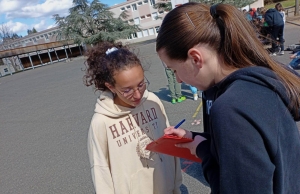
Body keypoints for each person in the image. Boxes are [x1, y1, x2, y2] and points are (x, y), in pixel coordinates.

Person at [156, 2, 300, 194]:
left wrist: (204, 151)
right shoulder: (263, 80)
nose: (179, 80)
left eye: (174, 69)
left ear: (196, 58)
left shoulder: (230, 108)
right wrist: (198, 139)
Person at [84, 42, 182, 194]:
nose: (137, 95)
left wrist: (176, 186)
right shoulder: (101, 123)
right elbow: (100, 173)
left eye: (141, 84)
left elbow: (169, 150)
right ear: (111, 87)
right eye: (127, 90)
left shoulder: (153, 102)